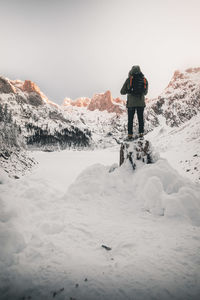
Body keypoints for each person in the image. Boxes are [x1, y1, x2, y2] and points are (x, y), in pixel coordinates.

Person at [120, 65, 148, 139]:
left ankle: (130, 134)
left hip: (131, 104)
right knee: (140, 119)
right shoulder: (144, 79)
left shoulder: (129, 80)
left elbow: (122, 92)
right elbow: (145, 93)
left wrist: (129, 91)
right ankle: (141, 133)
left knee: (130, 120)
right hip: (141, 103)